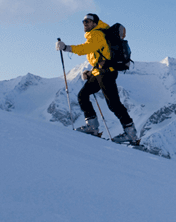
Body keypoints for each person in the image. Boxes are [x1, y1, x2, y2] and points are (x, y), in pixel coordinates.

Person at [57, 13, 138, 144]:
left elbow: (85, 48)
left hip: (106, 73)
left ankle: (131, 134)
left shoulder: (97, 34)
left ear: (95, 23)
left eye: (88, 21)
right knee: (83, 95)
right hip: (101, 72)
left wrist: (66, 48)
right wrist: (91, 72)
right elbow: (100, 57)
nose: (85, 24)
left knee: (113, 104)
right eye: (83, 22)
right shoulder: (97, 34)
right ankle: (92, 127)